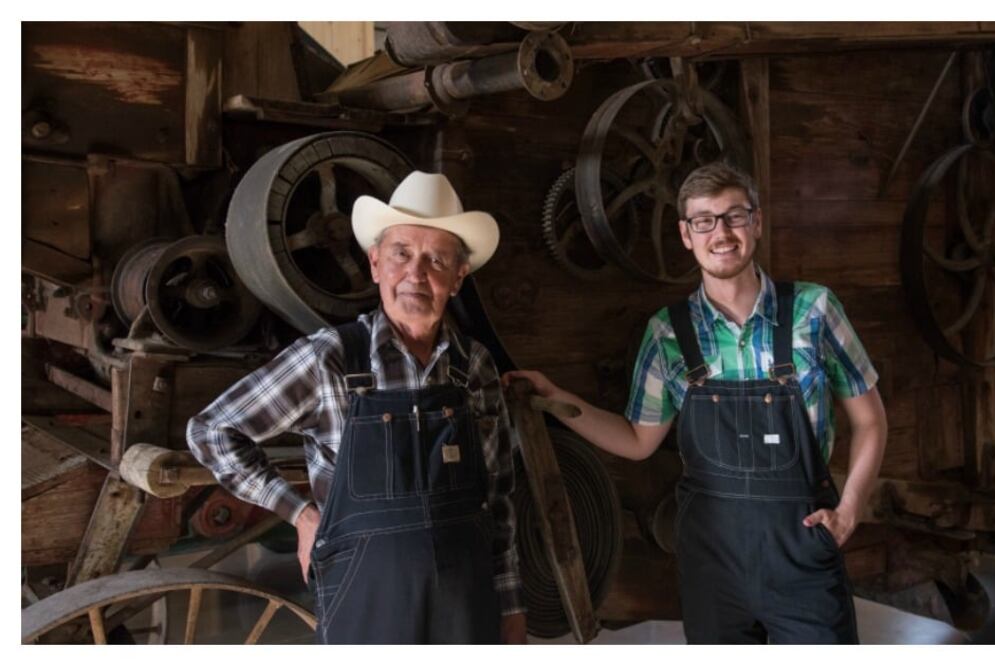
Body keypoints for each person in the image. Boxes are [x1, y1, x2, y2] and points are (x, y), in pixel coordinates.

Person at [505, 162, 886, 644]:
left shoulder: (814, 310)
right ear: (686, 235)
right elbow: (638, 440)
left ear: (757, 223)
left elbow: (870, 421)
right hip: (713, 567)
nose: (721, 233)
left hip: (802, 554)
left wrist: (849, 510)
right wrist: (559, 400)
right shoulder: (668, 332)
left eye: (734, 216)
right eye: (704, 221)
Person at [187, 171, 526, 644]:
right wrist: (301, 515)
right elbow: (212, 431)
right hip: (366, 607)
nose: (416, 274)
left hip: (465, 609)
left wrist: (509, 607)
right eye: (401, 254)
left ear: (458, 277)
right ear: (374, 264)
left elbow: (499, 500)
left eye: (436, 259)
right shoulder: (329, 359)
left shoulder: (476, 367)